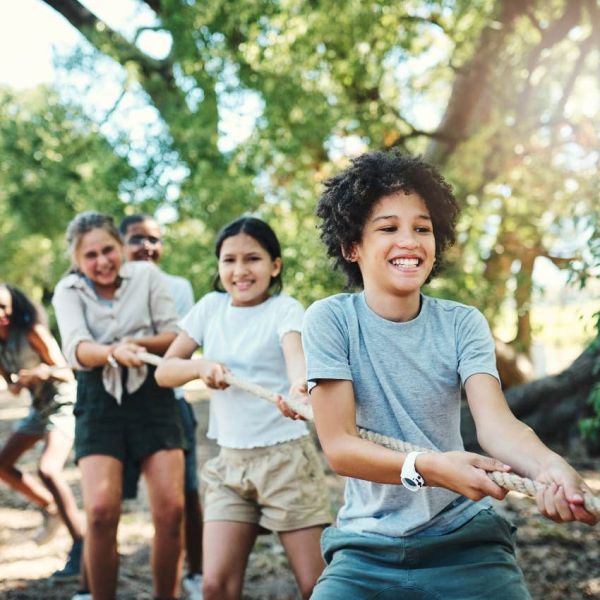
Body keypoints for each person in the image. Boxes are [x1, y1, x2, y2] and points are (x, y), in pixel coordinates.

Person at [302, 151, 598, 600]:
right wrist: (431, 469)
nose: (410, 241)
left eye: (422, 228)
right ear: (351, 246)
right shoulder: (331, 321)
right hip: (366, 549)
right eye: (388, 228)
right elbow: (340, 447)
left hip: (465, 544)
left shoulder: (462, 323)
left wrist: (548, 466)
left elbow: (497, 426)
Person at [155, 216, 331, 600]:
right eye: (229, 260)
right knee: (216, 587)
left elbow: (294, 354)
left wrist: (299, 390)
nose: (240, 270)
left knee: (315, 587)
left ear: (275, 265)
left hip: (286, 462)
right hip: (230, 466)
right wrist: (200, 367)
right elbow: (166, 371)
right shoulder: (209, 308)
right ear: (219, 266)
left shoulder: (284, 309)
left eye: (252, 259)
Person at [52, 211, 186, 600]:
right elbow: (76, 348)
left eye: (108, 249)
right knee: (100, 512)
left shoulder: (146, 277)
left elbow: (174, 334)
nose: (102, 261)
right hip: (98, 398)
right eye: (90, 255)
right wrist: (112, 352)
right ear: (77, 260)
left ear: (120, 247)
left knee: (171, 511)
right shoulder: (68, 291)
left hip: (152, 394)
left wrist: (137, 347)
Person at [119, 214, 203, 600]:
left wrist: (128, 341)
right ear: (121, 244)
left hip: (172, 403)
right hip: (121, 408)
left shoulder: (177, 286)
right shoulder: (110, 284)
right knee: (105, 502)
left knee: (186, 495)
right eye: (137, 239)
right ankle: (87, 574)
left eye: (154, 239)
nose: (146, 247)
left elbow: (176, 344)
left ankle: (196, 571)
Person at [0, 283, 84, 579]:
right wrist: (15, 383)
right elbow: (10, 382)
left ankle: (82, 546)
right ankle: (51, 507)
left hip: (63, 402)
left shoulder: (32, 330)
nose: (2, 315)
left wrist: (41, 372)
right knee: (2, 465)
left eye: (5, 308)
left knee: (48, 469)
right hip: (38, 409)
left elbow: (67, 370)